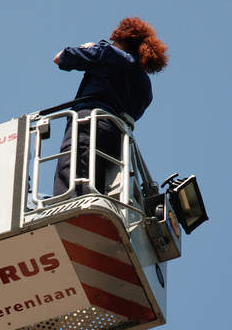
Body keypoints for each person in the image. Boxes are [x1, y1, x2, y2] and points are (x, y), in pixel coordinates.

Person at [52, 17, 169, 197]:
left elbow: (59, 58)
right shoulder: (146, 86)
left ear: (120, 37)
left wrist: (88, 48)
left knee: (73, 179)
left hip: (89, 124)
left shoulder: (109, 54)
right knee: (100, 188)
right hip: (118, 137)